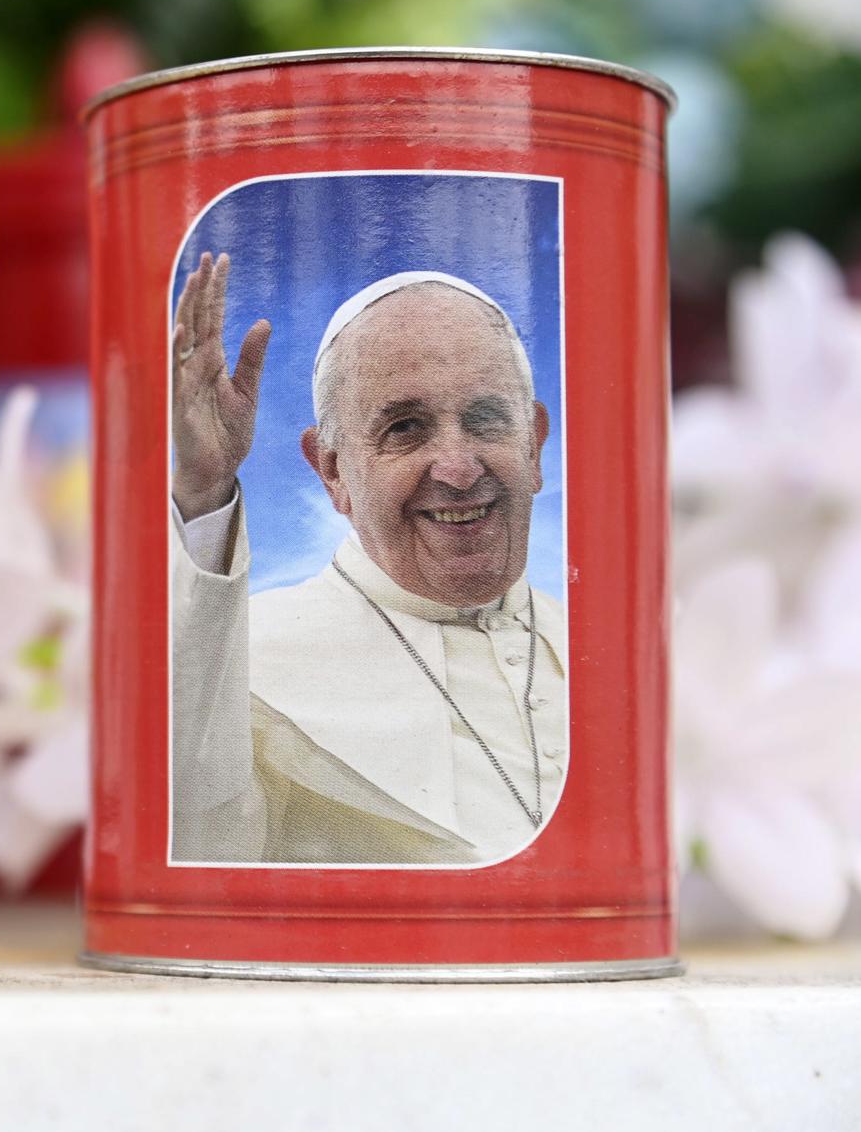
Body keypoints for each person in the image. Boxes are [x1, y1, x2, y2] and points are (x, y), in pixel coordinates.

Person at [170, 253, 567, 864]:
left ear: (535, 445)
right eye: (406, 428)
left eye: (487, 421)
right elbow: (202, 848)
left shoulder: (605, 646)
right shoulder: (249, 658)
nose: (459, 471)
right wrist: (203, 492)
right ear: (332, 471)